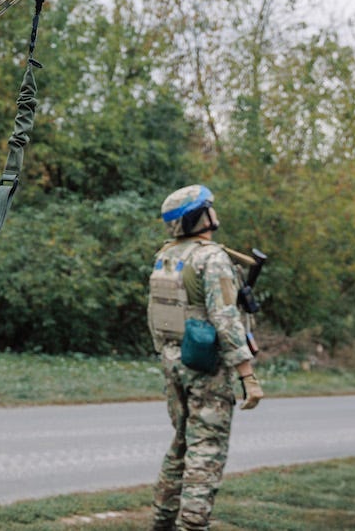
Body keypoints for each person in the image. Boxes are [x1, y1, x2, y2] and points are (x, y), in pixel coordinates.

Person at [146, 184, 264, 531]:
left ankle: (162, 521)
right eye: (209, 208)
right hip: (204, 366)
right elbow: (226, 320)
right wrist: (248, 377)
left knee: (182, 442)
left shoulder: (167, 255)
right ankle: (193, 525)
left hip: (172, 361)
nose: (215, 214)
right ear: (200, 216)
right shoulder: (212, 258)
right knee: (206, 448)